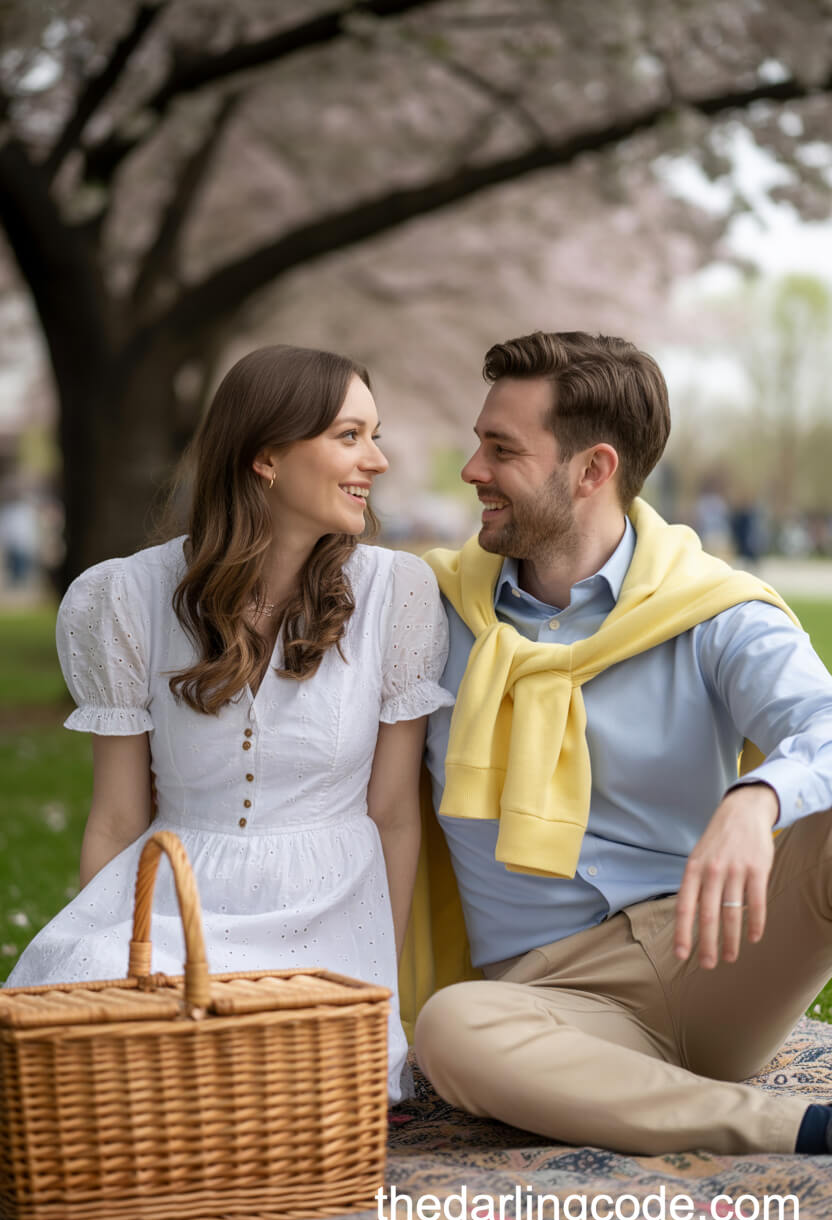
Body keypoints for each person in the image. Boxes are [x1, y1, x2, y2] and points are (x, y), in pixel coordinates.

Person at [409, 330, 832, 1154]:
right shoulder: (427, 612)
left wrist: (761, 796)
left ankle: (650, 1102)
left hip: (714, 955)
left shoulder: (711, 610)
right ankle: (801, 1130)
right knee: (451, 1028)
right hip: (549, 1000)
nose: (471, 472)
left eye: (501, 450)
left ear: (592, 470)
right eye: (476, 444)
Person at [5, 344, 454, 1102]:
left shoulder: (393, 593)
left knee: (261, 1077)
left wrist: (380, 985)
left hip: (327, 912)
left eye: (374, 434)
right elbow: (117, 820)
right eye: (349, 436)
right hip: (174, 899)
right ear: (265, 457)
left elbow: (393, 816)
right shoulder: (128, 595)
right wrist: (120, 976)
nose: (376, 460)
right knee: (77, 1046)